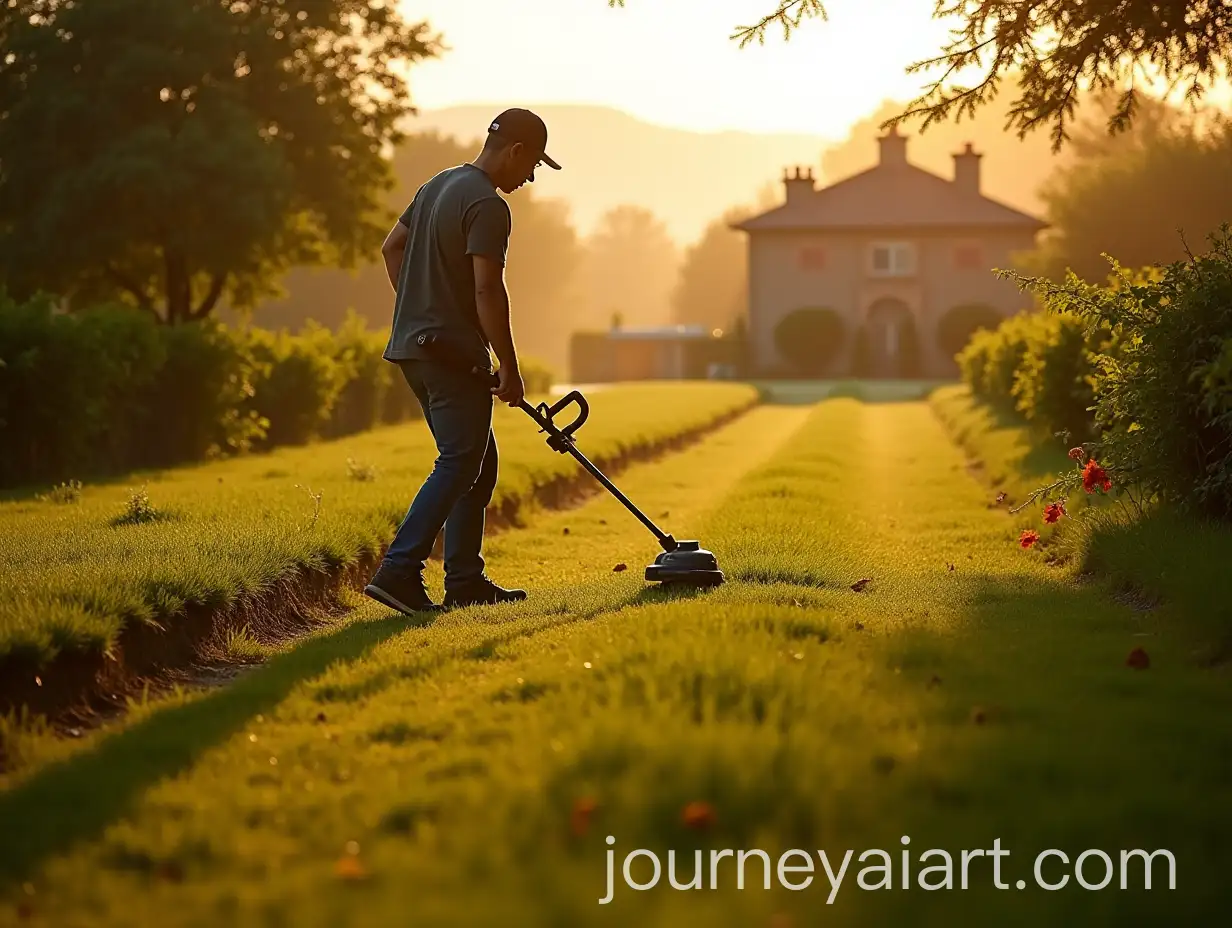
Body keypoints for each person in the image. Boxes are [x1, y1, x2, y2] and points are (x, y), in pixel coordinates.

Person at [363, 108, 561, 614]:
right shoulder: (488, 205)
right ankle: (398, 571)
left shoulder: (438, 185)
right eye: (533, 164)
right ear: (515, 151)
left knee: (477, 460)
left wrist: (418, 309)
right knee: (459, 461)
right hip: (449, 354)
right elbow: (487, 288)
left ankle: (465, 581)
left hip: (414, 349)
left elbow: (392, 248)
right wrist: (510, 366)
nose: (531, 176)